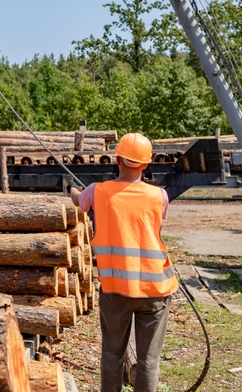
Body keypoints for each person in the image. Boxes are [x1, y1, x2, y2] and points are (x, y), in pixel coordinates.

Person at [69, 132, 176, 392]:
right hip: (155, 291)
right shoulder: (160, 196)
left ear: (117, 160)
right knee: (149, 361)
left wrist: (73, 190)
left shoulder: (97, 191)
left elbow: (79, 202)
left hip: (115, 289)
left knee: (112, 356)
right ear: (146, 164)